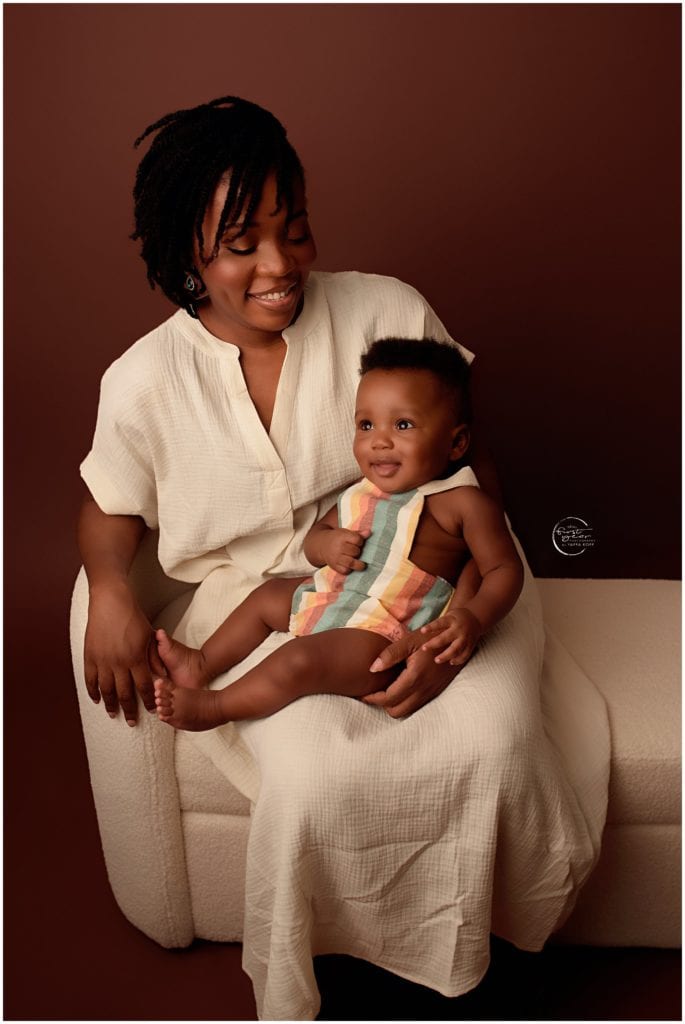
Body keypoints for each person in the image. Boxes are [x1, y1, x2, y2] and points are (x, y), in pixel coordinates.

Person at [78, 96, 606, 1021]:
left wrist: (459, 622)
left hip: (433, 582)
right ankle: (320, 967)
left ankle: (490, 944)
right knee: (317, 772)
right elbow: (108, 507)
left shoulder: (385, 307)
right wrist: (114, 593)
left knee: (492, 739)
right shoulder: (142, 382)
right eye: (242, 244)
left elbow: (468, 468)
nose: (280, 266)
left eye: (294, 229)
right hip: (281, 599)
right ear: (185, 252)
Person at [152, 337, 524, 731]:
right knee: (266, 598)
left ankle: (216, 707)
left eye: (403, 425)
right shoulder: (361, 493)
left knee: (299, 661)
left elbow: (503, 570)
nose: (380, 440)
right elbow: (318, 537)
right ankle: (201, 663)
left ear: (456, 443)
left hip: (380, 632)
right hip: (332, 597)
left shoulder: (463, 503)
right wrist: (326, 545)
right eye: (366, 424)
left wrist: (473, 618)